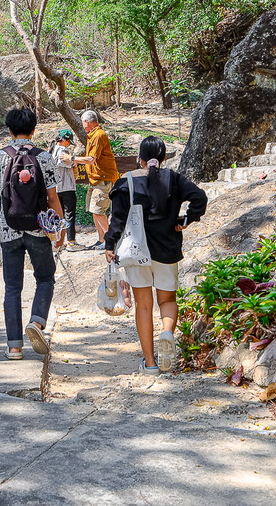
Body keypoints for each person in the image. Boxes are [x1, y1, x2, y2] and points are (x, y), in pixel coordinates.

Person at [104, 136, 207, 375]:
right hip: (167, 250)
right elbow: (199, 197)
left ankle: (150, 363)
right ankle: (167, 333)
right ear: (163, 158)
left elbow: (117, 221)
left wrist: (110, 244)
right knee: (167, 301)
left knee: (143, 305)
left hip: (136, 252)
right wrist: (186, 219)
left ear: (139, 158)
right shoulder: (174, 179)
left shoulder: (126, 182)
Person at [0, 108, 67, 359]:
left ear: (9, 130)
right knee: (45, 278)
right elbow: (52, 198)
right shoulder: (43, 157)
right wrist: (60, 226)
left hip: (9, 229)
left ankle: (14, 347)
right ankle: (37, 322)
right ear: (34, 130)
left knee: (12, 287)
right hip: (39, 228)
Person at [73, 109, 119, 249]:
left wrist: (72, 158)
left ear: (87, 122)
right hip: (95, 180)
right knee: (94, 211)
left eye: (83, 122)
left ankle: (110, 241)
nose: (82, 125)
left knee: (99, 211)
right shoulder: (92, 135)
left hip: (103, 180)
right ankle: (101, 240)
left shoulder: (99, 135)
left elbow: (91, 159)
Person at [49, 128, 84, 250]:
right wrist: (74, 162)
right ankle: (71, 241)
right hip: (66, 186)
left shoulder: (52, 148)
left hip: (55, 188)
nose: (69, 144)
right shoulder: (62, 150)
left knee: (58, 215)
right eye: (69, 141)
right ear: (64, 140)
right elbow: (65, 162)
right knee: (69, 214)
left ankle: (58, 241)